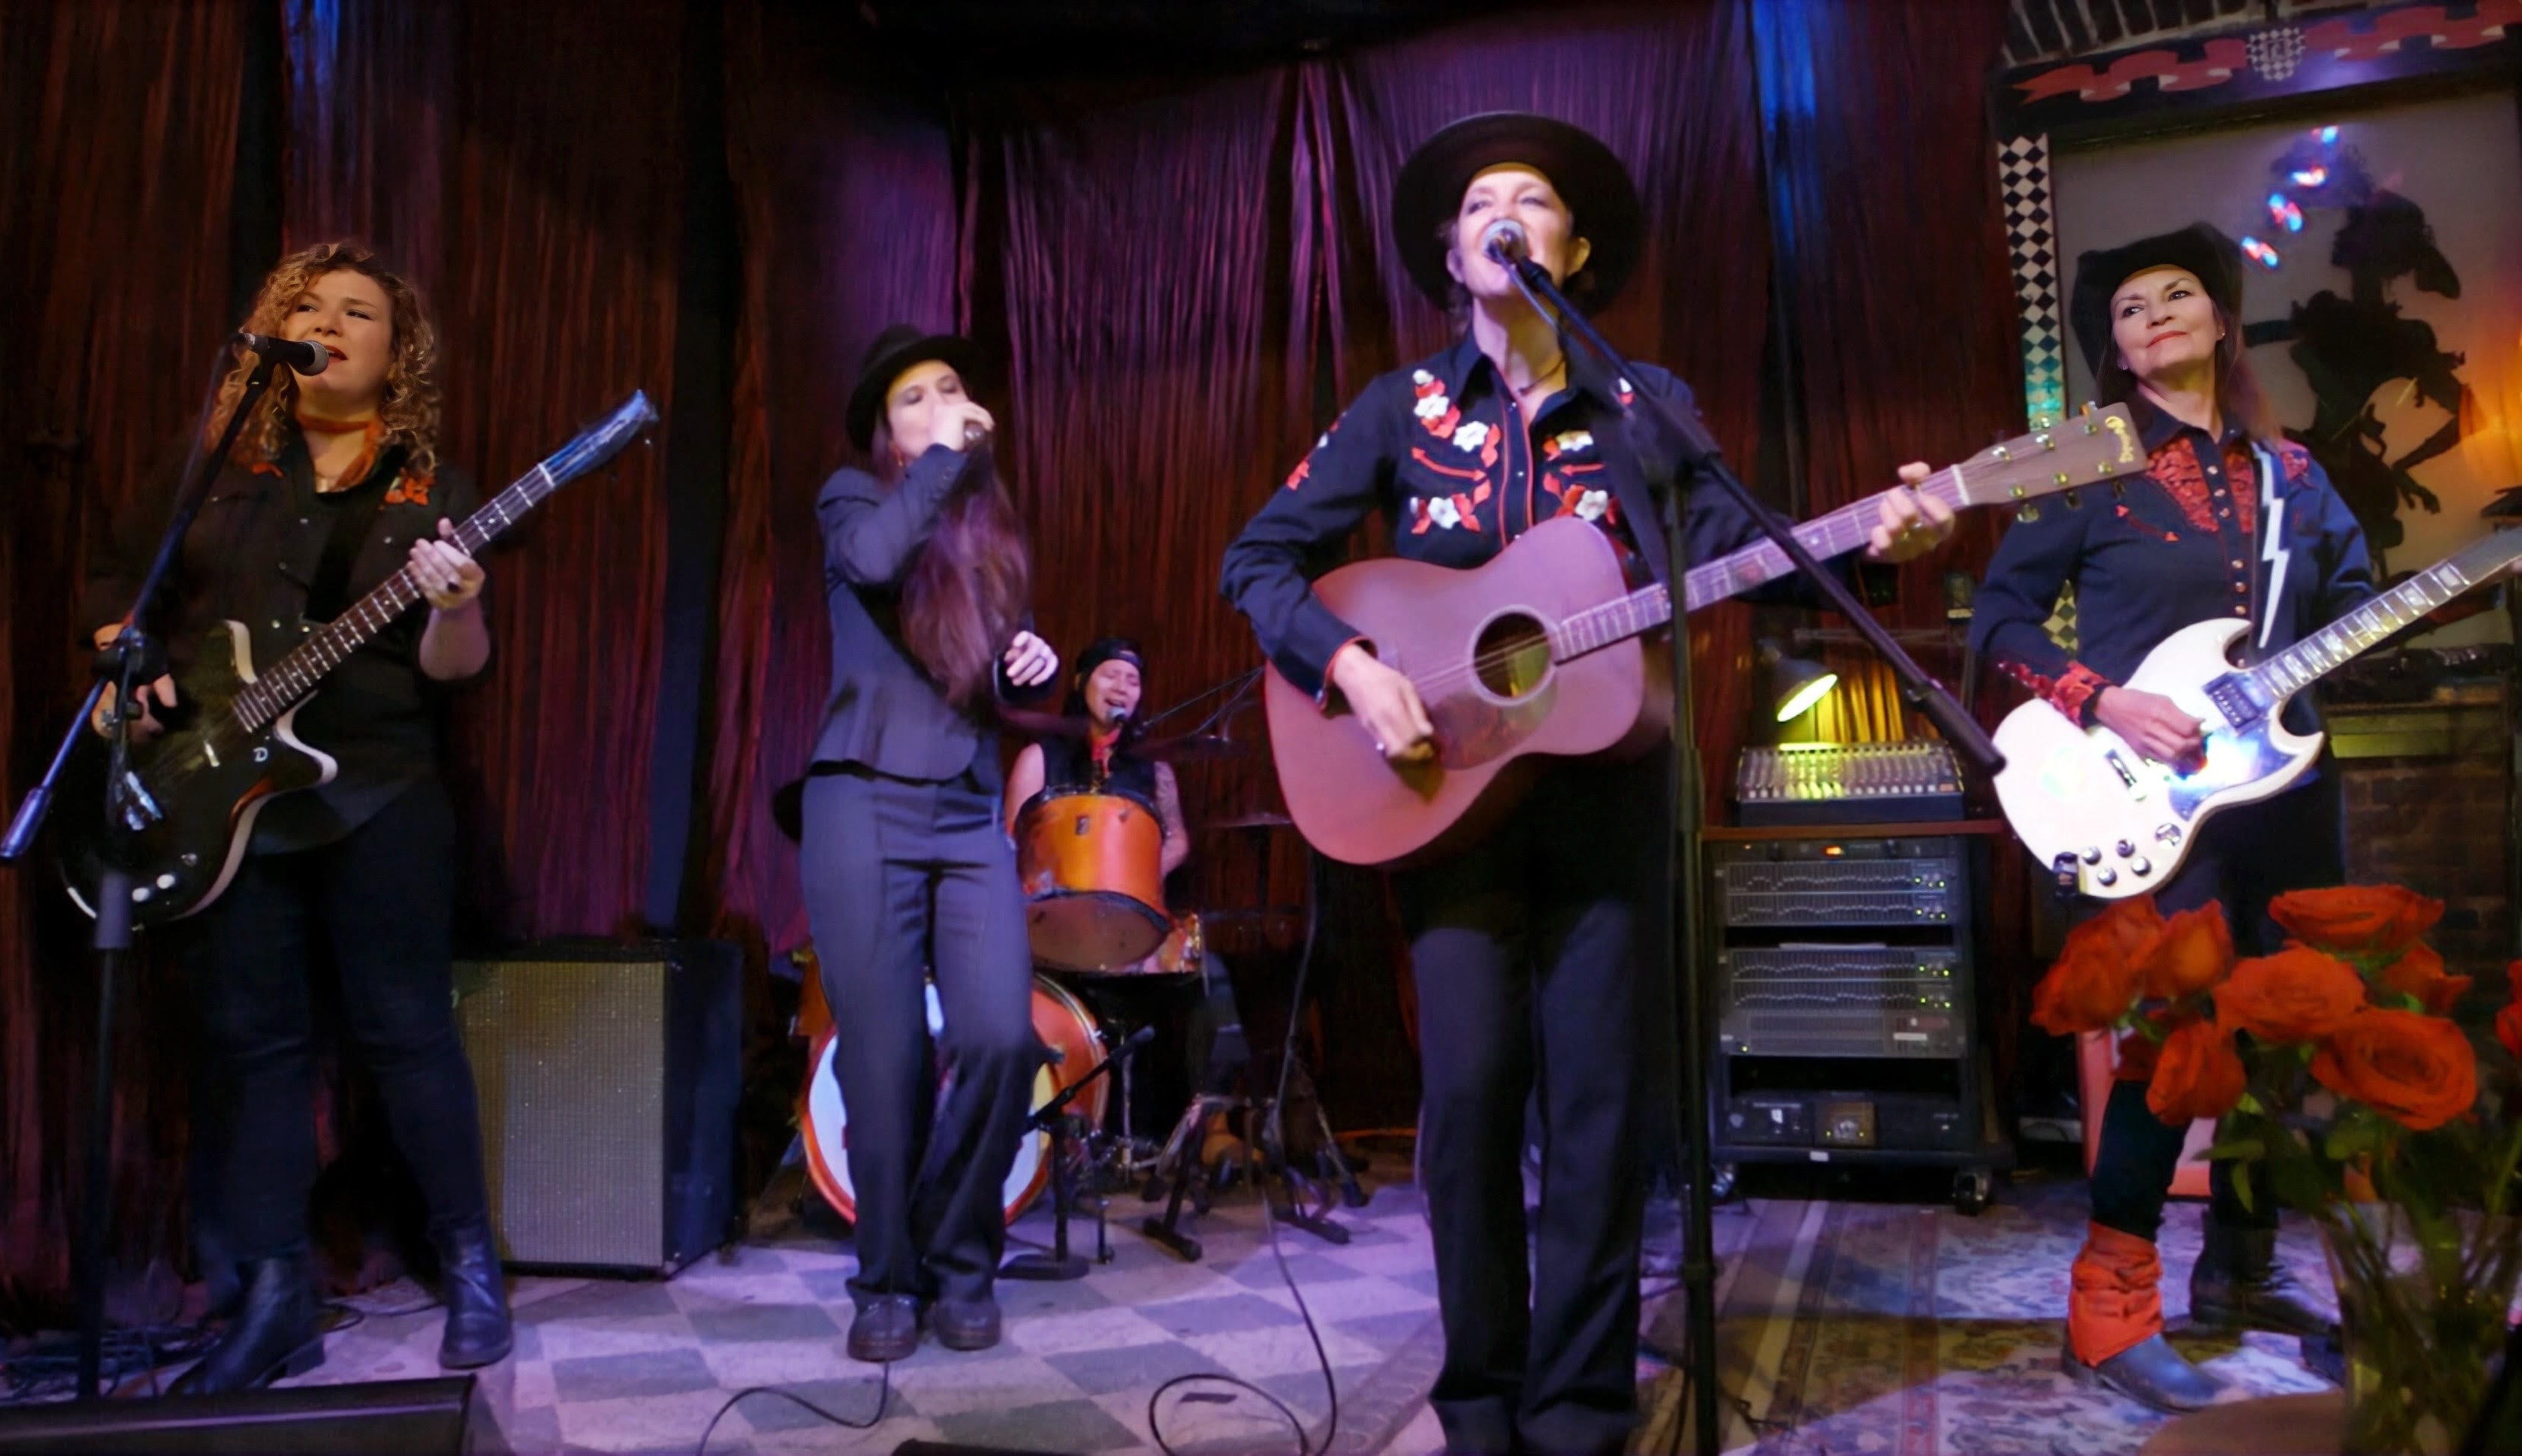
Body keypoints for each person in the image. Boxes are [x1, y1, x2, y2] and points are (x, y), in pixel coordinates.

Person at [1218, 113, 1952, 1455]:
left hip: (1611, 804)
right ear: (1453, 253)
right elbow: (1257, 561)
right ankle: (1480, 1407)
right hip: (1447, 808)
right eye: (1478, 202)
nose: (1504, 213)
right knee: (1470, 1109)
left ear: (1575, 247)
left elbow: (1746, 546)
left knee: (1603, 1116)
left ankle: (1578, 1413)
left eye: (1533, 199)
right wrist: (1356, 670)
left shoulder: (1641, 403)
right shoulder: (1402, 408)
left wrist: (1879, 542)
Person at [84, 241, 510, 1393]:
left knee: (406, 1029)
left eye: (358, 312)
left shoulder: (434, 489)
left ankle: (471, 1262)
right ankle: (275, 1293)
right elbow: (120, 584)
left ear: (396, 351)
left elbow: (456, 666)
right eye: (308, 306)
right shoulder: (221, 465)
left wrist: (457, 607)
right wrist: (130, 664)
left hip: (379, 787)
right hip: (227, 801)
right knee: (253, 1039)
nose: (328, 323)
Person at [1970, 222, 2366, 1412]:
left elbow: (2352, 594)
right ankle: (2110, 1305)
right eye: (2129, 309)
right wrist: (2105, 699)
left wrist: (2345, 644)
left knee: (2283, 1030)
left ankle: (2241, 1270)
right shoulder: (2084, 471)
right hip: (2153, 796)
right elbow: (2000, 622)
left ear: (2222, 320)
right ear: (2118, 350)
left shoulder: (2296, 476)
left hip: (2287, 795)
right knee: (2169, 1045)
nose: (2153, 316)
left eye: (2176, 295)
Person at [803, 324, 1060, 1362]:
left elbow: (982, 680)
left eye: (951, 389)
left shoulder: (988, 539)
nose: (941, 405)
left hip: (964, 810)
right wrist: (943, 459)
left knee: (1001, 1037)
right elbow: (875, 562)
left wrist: (1026, 661)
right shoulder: (851, 500)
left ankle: (959, 1252)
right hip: (863, 801)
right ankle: (888, 1279)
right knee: (886, 1058)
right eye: (915, 398)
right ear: (885, 431)